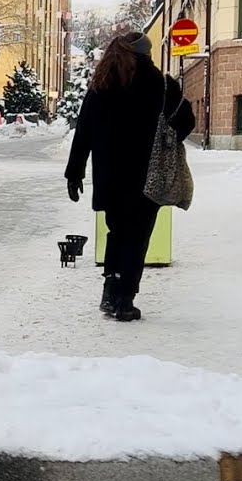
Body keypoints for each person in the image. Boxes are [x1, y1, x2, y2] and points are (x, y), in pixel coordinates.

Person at [65, 31, 194, 322]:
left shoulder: (102, 84)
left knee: (117, 231)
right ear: (147, 54)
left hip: (110, 176)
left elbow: (83, 130)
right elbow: (186, 121)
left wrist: (75, 172)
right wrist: (168, 138)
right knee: (137, 237)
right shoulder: (161, 85)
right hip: (147, 174)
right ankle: (125, 300)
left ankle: (110, 291)